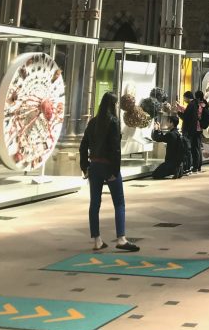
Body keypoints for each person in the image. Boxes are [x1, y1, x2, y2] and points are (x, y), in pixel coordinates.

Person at [80, 91, 140, 252]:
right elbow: (115, 149)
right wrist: (115, 170)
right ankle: (121, 238)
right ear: (113, 105)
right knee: (119, 202)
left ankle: (97, 240)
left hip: (94, 167)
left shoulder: (92, 123)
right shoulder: (113, 122)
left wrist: (85, 166)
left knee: (95, 203)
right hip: (108, 166)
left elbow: (83, 145)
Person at [150, 114, 186, 179]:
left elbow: (158, 138)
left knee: (155, 175)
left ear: (171, 123)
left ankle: (173, 170)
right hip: (177, 162)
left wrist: (156, 129)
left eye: (168, 122)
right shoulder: (177, 134)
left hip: (170, 162)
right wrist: (159, 130)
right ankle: (177, 170)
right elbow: (163, 137)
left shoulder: (170, 134)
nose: (166, 123)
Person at [178, 91, 198, 173]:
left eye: (184, 98)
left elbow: (186, 117)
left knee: (187, 148)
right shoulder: (194, 104)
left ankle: (188, 166)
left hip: (188, 130)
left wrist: (178, 113)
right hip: (192, 129)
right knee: (191, 148)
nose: (184, 99)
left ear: (187, 97)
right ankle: (192, 166)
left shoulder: (191, 105)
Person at [193, 90, 209, 172]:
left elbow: (197, 116)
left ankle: (196, 165)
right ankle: (199, 165)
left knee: (196, 147)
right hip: (201, 128)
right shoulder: (205, 104)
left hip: (197, 127)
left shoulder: (200, 106)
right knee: (198, 147)